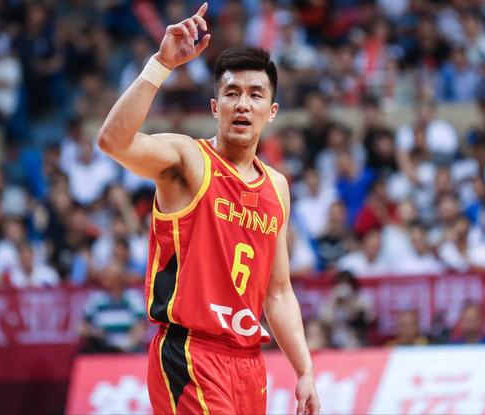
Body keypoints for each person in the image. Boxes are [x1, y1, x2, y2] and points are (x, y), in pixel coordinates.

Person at [96, 3, 319, 414]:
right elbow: (113, 141)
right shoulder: (188, 160)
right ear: (216, 108)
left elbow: (278, 292)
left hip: (248, 362)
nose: (243, 104)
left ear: (271, 113)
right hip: (190, 351)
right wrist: (162, 65)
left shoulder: (277, 187)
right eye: (231, 94)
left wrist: (304, 369)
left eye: (255, 95)